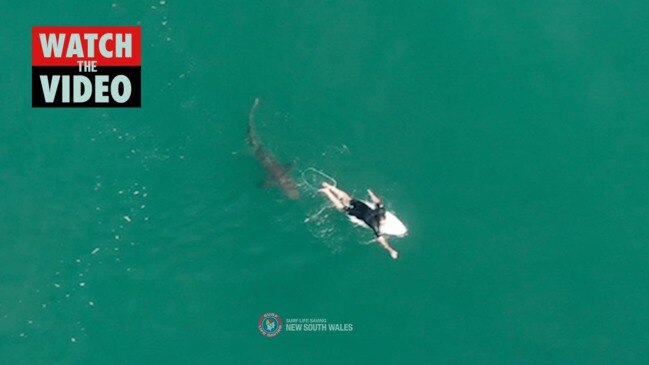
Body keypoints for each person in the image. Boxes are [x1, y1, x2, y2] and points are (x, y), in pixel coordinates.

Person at [319, 182, 399, 259]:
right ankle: (327, 191)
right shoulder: (374, 224)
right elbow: (381, 240)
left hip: (360, 205)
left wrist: (371, 194)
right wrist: (390, 250)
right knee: (342, 208)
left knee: (346, 198)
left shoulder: (380, 211)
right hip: (357, 213)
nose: (384, 223)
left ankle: (329, 186)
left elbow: (378, 202)